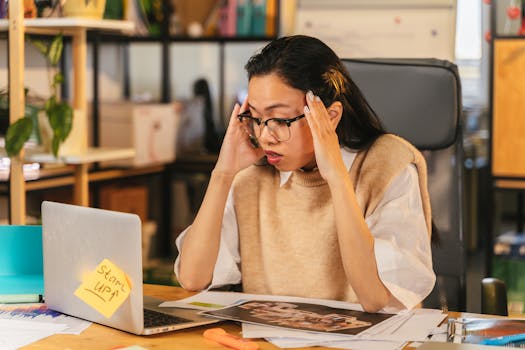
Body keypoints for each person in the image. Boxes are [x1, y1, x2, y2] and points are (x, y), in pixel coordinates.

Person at [175, 35, 435, 312]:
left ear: (330, 116)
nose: (265, 137)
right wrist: (222, 174)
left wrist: (336, 176)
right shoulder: (251, 176)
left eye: (280, 120)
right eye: (257, 118)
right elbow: (192, 277)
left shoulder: (389, 166)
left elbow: (374, 298)